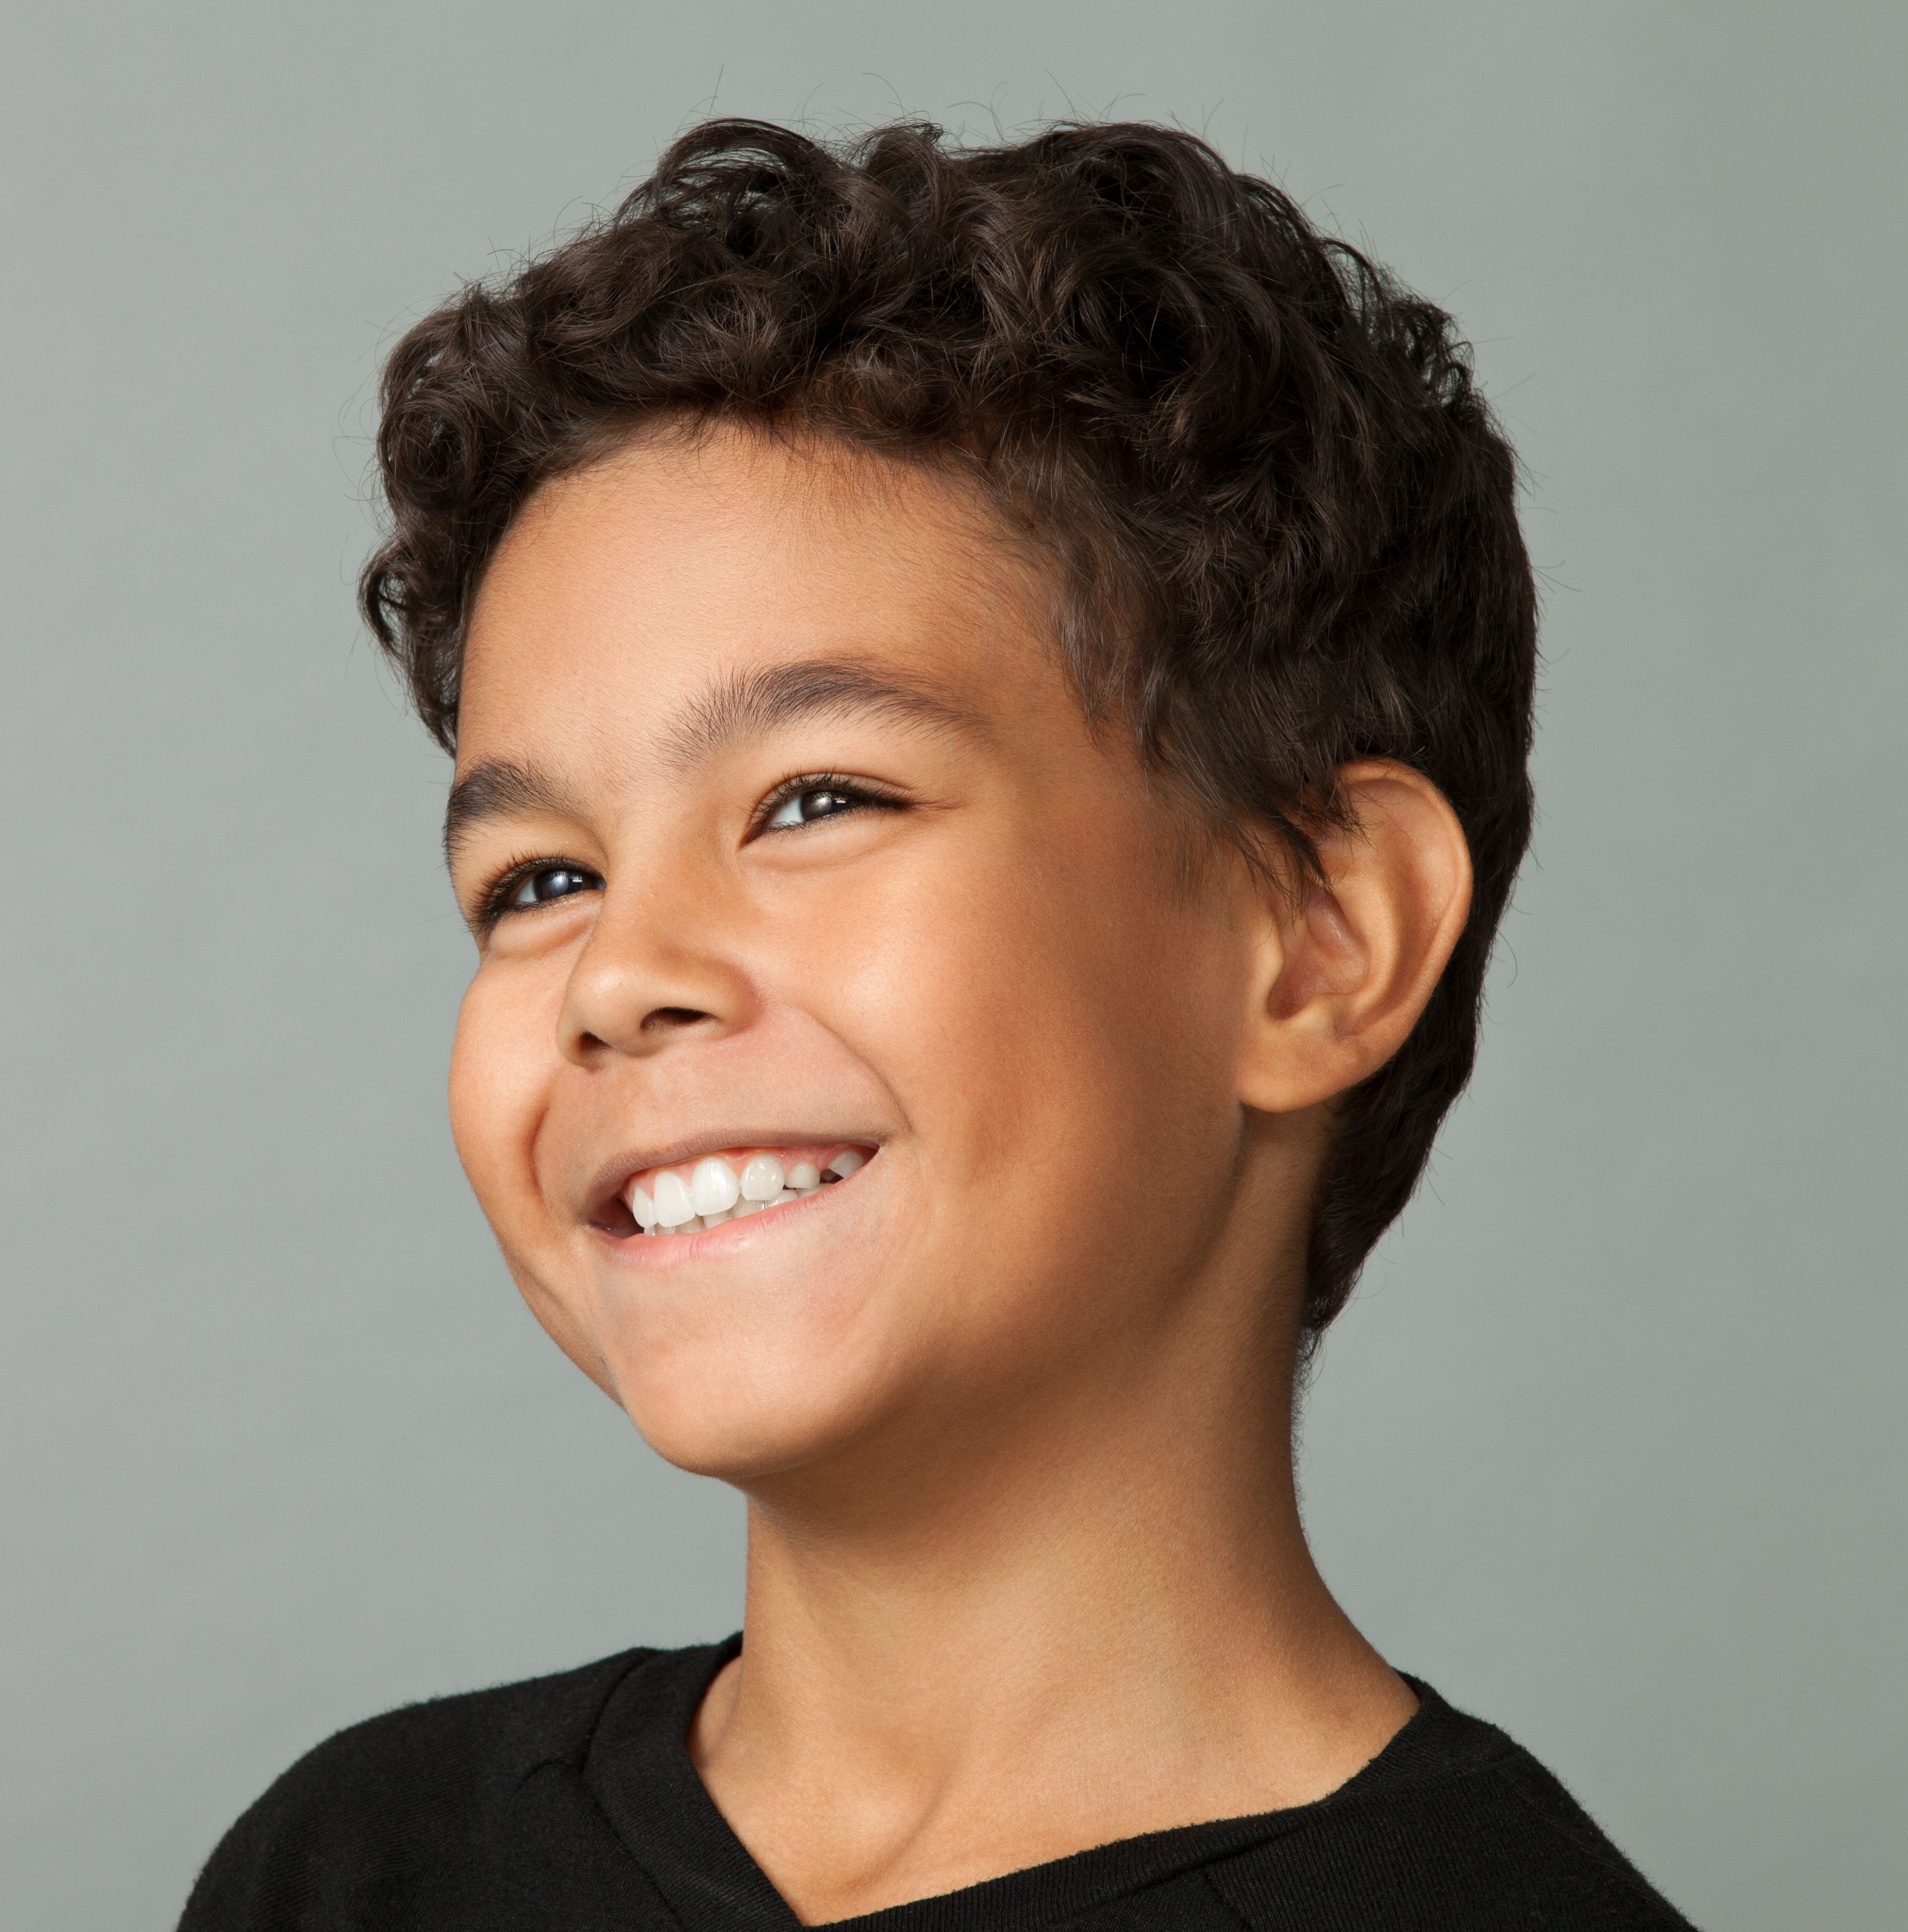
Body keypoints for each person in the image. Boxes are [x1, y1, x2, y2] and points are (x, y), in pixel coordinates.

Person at [183, 117, 1692, 1930]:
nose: (614, 970)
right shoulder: (367, 1871)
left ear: (1318, 936)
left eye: (816, 801)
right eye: (536, 880)